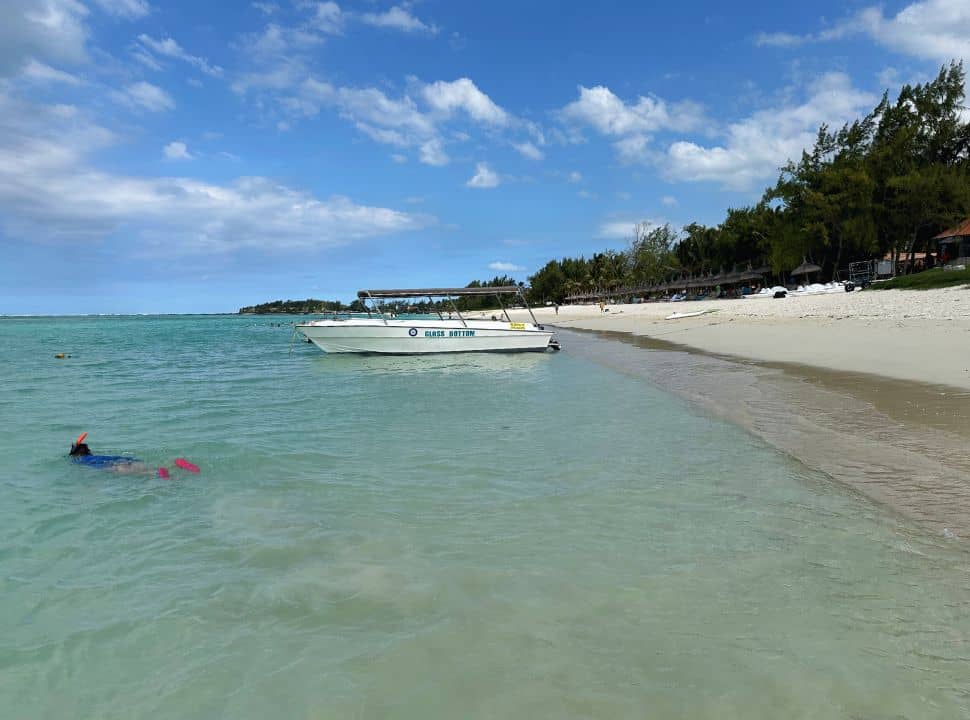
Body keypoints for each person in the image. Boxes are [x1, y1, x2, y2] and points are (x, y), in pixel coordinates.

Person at [69, 432, 199, 478]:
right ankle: (175, 463)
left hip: (116, 466)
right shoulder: (96, 456)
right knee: (151, 467)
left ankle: (159, 474)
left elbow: (73, 457)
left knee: (146, 474)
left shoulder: (80, 460)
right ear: (88, 451)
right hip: (125, 459)